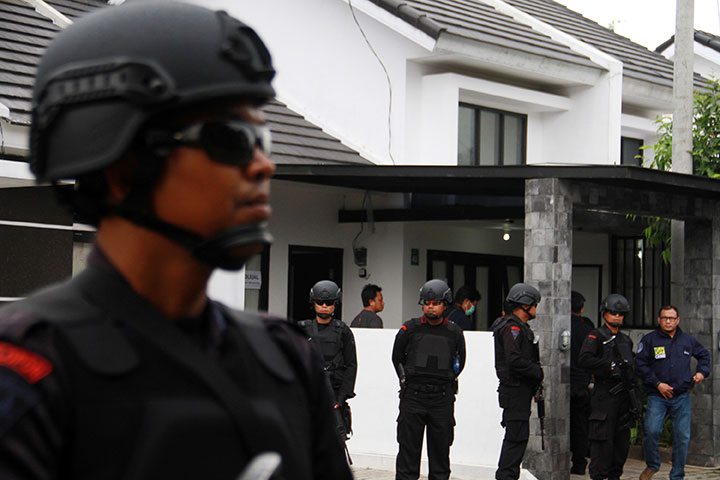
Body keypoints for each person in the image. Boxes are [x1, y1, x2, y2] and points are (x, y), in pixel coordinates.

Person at [0, 3, 353, 479]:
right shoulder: (27, 372)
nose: (263, 165)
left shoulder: (286, 361)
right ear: (125, 166)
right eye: (231, 139)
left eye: (263, 141)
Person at [392, 279, 466, 480]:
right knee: (408, 455)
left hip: (441, 399)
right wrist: (405, 380)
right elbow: (396, 358)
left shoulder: (454, 332)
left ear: (445, 304)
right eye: (427, 303)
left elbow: (460, 363)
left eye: (435, 303)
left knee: (440, 457)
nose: (430, 307)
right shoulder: (410, 329)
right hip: (413, 398)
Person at [636, 305, 711, 480]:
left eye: (671, 318)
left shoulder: (687, 340)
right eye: (664, 318)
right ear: (659, 320)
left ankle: (677, 475)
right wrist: (657, 384)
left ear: (677, 320)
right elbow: (640, 365)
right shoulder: (649, 340)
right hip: (657, 395)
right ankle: (653, 464)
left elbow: (704, 356)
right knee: (651, 431)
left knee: (682, 437)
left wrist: (701, 372)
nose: (668, 321)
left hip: (681, 396)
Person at [578, 294, 637, 480]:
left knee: (621, 445)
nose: (617, 316)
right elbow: (584, 360)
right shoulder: (596, 336)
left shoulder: (625, 340)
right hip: (604, 395)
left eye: (621, 314)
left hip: (623, 398)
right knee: (602, 442)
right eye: (613, 312)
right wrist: (609, 366)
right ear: (604, 314)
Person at [492, 282, 543, 480]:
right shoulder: (512, 328)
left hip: (520, 391)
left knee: (518, 439)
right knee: (515, 440)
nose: (535, 309)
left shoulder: (520, 328)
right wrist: (537, 372)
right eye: (534, 304)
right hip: (514, 391)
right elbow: (513, 360)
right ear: (525, 304)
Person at [298, 280, 358, 437]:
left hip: (334, 394)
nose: (324, 306)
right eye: (320, 302)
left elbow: (351, 365)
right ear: (314, 303)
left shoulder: (343, 331)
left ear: (335, 304)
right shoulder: (302, 329)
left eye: (329, 302)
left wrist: (341, 398)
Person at [570, 290, 594, 475]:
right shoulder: (587, 330)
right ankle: (579, 463)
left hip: (564, 381)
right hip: (581, 382)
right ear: (582, 308)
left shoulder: (561, 326)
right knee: (579, 425)